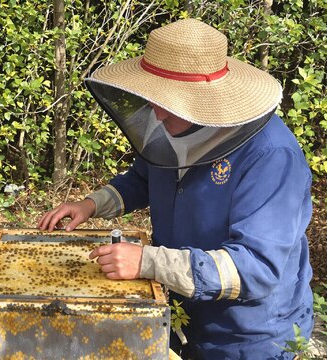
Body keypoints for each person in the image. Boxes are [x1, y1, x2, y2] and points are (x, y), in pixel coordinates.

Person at [37, 18, 314, 359]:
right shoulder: (173, 124)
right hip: (183, 313)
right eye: (153, 97)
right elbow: (145, 177)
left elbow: (256, 268)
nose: (156, 112)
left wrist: (147, 262)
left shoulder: (271, 156)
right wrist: (91, 205)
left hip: (247, 337)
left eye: (166, 101)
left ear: (205, 100)